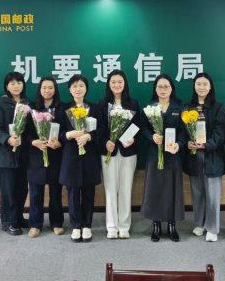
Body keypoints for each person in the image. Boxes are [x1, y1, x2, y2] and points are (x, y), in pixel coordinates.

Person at [141, 74, 186, 242]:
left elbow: (184, 132)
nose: (163, 89)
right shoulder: (149, 108)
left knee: (172, 190)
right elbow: (143, 129)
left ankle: (172, 226)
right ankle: (156, 225)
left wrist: (179, 144)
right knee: (155, 190)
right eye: (159, 86)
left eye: (166, 86)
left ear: (171, 89)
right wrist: (151, 137)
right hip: (154, 155)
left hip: (173, 155)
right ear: (155, 89)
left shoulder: (179, 108)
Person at [59, 74, 104, 243]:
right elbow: (57, 132)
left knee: (88, 192)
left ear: (86, 89)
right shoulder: (63, 108)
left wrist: (89, 136)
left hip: (89, 156)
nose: (78, 89)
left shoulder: (95, 108)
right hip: (70, 156)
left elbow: (102, 130)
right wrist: (68, 134)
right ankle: (76, 226)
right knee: (72, 193)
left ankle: (87, 225)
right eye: (74, 86)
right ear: (70, 90)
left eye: (81, 86)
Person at [183, 73, 225, 243]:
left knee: (212, 195)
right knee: (198, 193)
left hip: (212, 156)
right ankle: (200, 223)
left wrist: (206, 145)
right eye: (198, 84)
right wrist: (187, 142)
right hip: (194, 156)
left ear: (210, 87)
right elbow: (182, 130)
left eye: (205, 84)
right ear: (194, 86)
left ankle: (212, 228)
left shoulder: (218, 107)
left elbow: (220, 132)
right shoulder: (188, 107)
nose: (201, 87)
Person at [98, 70, 140, 239]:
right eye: (113, 82)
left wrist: (131, 138)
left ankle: (124, 226)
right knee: (110, 190)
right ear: (109, 84)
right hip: (108, 151)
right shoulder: (102, 104)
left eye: (120, 82)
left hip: (128, 151)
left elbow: (137, 126)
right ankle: (112, 226)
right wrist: (105, 142)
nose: (117, 85)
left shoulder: (133, 103)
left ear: (125, 84)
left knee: (125, 189)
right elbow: (100, 128)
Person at [0, 71, 30, 236]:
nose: (16, 86)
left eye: (19, 82)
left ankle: (18, 217)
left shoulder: (28, 103)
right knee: (8, 189)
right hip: (6, 154)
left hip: (24, 153)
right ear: (7, 86)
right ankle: (8, 221)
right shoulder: (0, 103)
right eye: (12, 83)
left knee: (22, 188)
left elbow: (32, 128)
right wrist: (8, 139)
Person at [26, 76, 65, 238]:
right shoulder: (32, 107)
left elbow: (65, 130)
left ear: (55, 89)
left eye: (50, 87)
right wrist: (34, 141)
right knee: (36, 192)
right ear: (39, 90)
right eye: (44, 87)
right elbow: (25, 132)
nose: (47, 90)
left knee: (56, 192)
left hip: (55, 155)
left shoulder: (62, 108)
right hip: (36, 154)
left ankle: (56, 223)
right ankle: (35, 224)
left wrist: (59, 142)